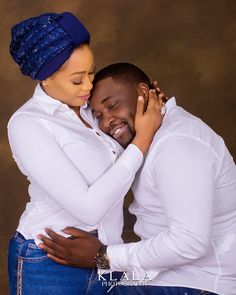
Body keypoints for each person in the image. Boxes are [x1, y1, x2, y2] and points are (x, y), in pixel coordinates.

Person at [39, 63, 236, 295]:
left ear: (143, 93)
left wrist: (102, 256)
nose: (106, 122)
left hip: (198, 284)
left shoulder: (177, 144)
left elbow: (190, 242)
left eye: (112, 105)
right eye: (98, 116)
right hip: (160, 275)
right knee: (81, 280)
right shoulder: (148, 138)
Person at [7, 14, 164, 295]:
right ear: (46, 78)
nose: (89, 86)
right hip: (50, 259)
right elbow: (88, 208)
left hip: (106, 254)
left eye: (91, 72)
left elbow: (131, 139)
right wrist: (143, 139)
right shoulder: (28, 124)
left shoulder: (93, 111)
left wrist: (147, 105)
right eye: (77, 80)